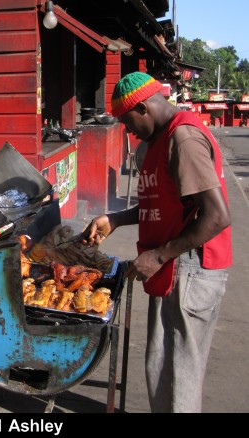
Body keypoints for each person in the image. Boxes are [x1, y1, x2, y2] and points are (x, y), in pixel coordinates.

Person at [84, 72, 233, 413]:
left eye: (127, 121)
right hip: (172, 265)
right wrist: (117, 218)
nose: (127, 131)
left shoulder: (183, 138)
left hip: (191, 267)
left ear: (143, 107)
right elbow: (163, 201)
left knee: (178, 375)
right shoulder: (158, 140)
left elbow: (217, 216)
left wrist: (160, 256)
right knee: (161, 365)